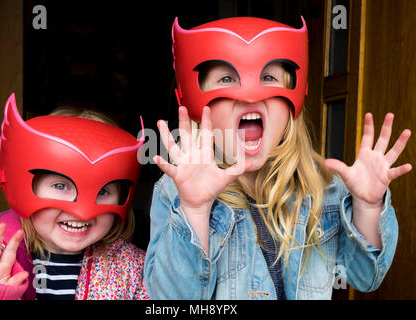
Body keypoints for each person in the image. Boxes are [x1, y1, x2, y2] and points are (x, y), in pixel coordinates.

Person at [144, 16, 412, 299]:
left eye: (268, 77)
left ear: (292, 103)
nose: (249, 95)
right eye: (226, 78)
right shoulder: (174, 192)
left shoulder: (326, 190)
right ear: (198, 105)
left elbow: (365, 276)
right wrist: (195, 211)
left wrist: (368, 208)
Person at [0, 93, 149, 300]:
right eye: (61, 186)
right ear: (24, 184)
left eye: (103, 191)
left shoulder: (132, 269)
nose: (82, 211)